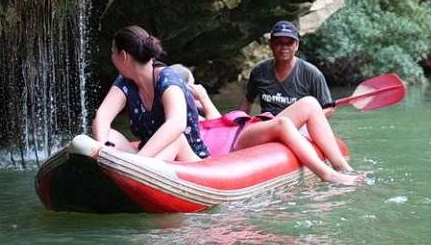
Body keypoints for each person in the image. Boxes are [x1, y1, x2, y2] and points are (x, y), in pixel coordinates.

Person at [177, 62, 363, 185]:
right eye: (193, 85)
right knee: (281, 123)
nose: (197, 88)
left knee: (310, 103)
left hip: (242, 128)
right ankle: (327, 174)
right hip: (233, 142)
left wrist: (202, 100)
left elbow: (217, 122)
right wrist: (201, 98)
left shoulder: (197, 108)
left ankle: (343, 167)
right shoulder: (180, 113)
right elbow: (215, 127)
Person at [91, 26, 210, 161]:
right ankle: (131, 167)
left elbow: (177, 123)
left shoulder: (168, 81)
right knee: (109, 136)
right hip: (150, 159)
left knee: (176, 139)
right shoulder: (125, 82)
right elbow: (102, 116)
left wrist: (138, 161)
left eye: (113, 52)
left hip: (187, 158)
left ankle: (134, 167)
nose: (111, 57)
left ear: (124, 56)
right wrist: (102, 147)